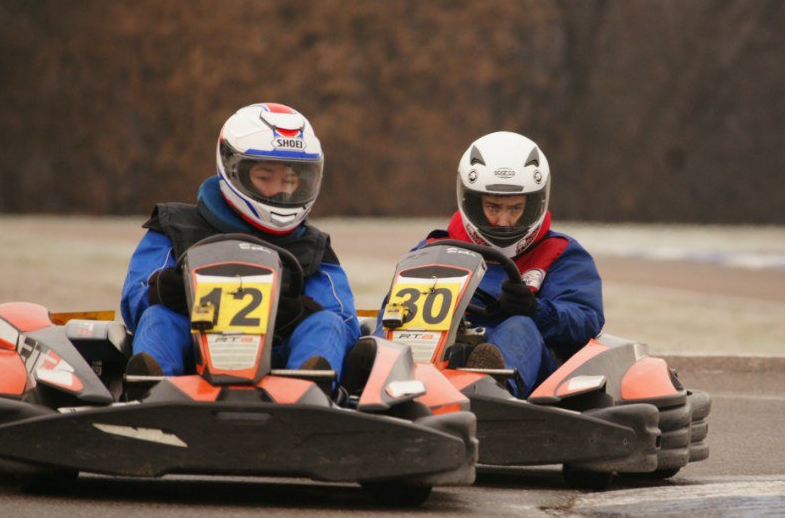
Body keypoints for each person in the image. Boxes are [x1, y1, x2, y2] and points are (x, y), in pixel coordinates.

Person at [120, 103, 360, 383]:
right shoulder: (175, 226)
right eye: (265, 177)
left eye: (290, 180)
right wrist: (165, 290)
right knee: (158, 317)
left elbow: (343, 320)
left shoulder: (311, 246)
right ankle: (149, 388)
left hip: (279, 358)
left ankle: (311, 387)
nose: (279, 190)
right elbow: (136, 296)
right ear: (233, 170)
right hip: (192, 354)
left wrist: (299, 311)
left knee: (325, 324)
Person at [402, 130, 605, 398]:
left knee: (520, 326)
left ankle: (491, 389)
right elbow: (393, 312)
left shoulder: (559, 253)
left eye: (515, 208)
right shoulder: (435, 250)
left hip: (524, 371)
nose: (503, 222)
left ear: (533, 205)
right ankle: (387, 383)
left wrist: (535, 310)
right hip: (439, 359)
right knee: (390, 326)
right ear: (473, 203)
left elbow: (586, 320)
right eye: (493, 207)